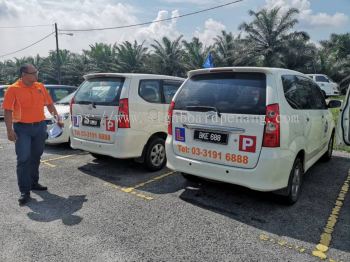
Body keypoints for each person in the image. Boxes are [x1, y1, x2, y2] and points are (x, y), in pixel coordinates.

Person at [3, 64, 64, 206]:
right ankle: (25, 191)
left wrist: (57, 119)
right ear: (24, 74)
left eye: (36, 72)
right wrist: (9, 130)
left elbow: (49, 104)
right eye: (34, 72)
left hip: (39, 127)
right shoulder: (13, 89)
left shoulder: (40, 86)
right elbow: (7, 111)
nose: (37, 74)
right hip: (22, 129)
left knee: (36, 156)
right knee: (23, 159)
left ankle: (34, 182)